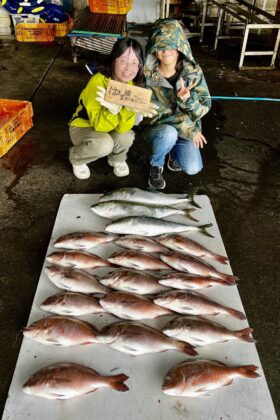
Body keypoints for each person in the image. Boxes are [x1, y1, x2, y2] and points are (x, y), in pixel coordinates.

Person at [69, 37, 157, 179]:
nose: (129, 68)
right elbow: (100, 126)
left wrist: (128, 109)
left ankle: (117, 158)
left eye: (135, 63)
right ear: (114, 59)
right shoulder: (97, 82)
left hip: (110, 127)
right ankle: (76, 158)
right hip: (85, 126)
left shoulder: (132, 86)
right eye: (123, 60)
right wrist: (112, 110)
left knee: (127, 136)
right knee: (104, 144)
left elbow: (123, 129)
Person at [142, 19, 212, 189]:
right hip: (159, 129)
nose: (166, 51)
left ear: (181, 48)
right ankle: (156, 165)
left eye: (171, 45)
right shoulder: (146, 74)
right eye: (160, 46)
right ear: (153, 49)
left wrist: (188, 100)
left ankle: (174, 154)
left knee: (193, 168)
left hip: (186, 129)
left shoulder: (193, 73)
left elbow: (204, 107)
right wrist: (188, 128)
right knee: (168, 133)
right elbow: (155, 113)